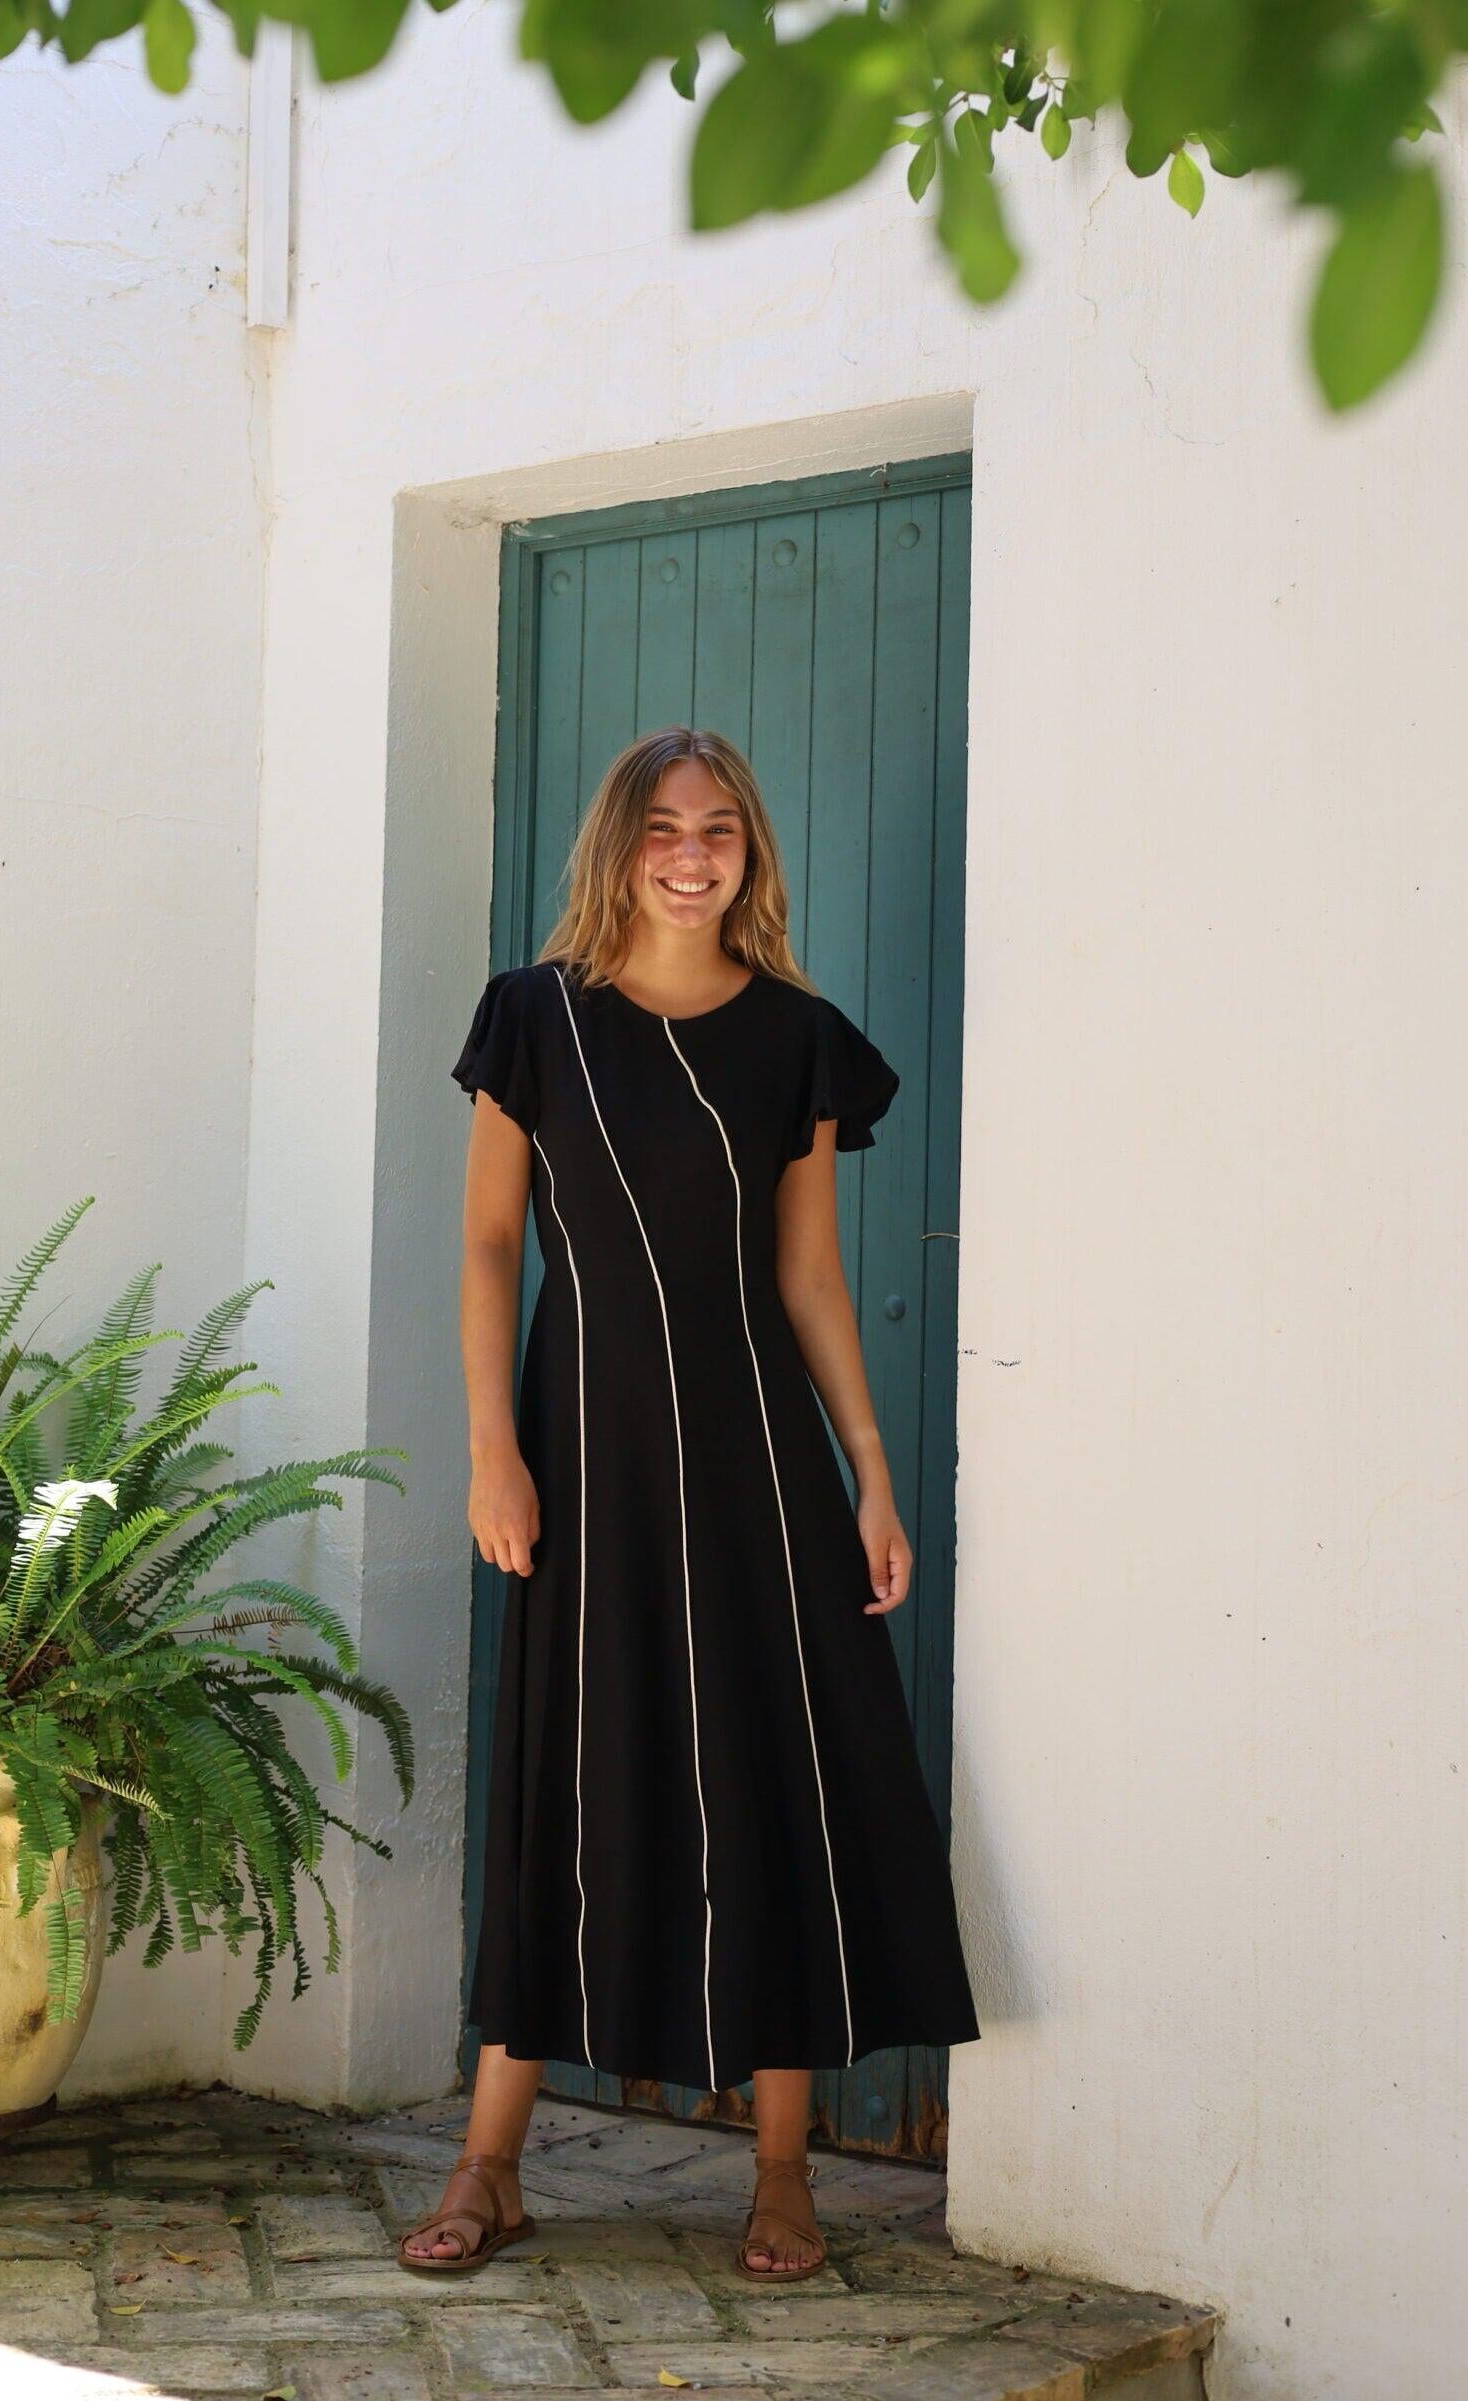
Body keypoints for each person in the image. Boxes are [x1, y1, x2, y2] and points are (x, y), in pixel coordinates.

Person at [400, 726, 980, 2282]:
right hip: (579, 1459)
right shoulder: (534, 1018)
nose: (689, 853)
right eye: (661, 826)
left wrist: (868, 1469)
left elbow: (809, 1276)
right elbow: (487, 1245)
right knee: (569, 1786)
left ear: (748, 854)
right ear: (619, 845)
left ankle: (782, 2175)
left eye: (717, 827)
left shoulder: (798, 1039)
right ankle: (489, 2163)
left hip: (754, 1473)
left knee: (771, 1775)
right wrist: (491, 1447)